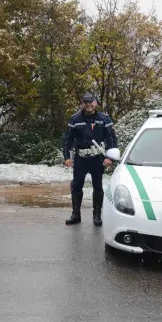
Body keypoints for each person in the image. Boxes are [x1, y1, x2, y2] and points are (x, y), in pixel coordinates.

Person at [62, 93, 117, 227]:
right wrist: (67, 157)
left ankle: (97, 215)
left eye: (91, 102)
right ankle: (76, 215)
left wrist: (110, 157)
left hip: (97, 158)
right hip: (81, 158)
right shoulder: (75, 119)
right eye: (86, 102)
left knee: (97, 187)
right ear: (83, 104)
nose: (88, 105)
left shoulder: (104, 119)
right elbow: (68, 139)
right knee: (76, 186)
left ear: (95, 103)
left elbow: (111, 139)